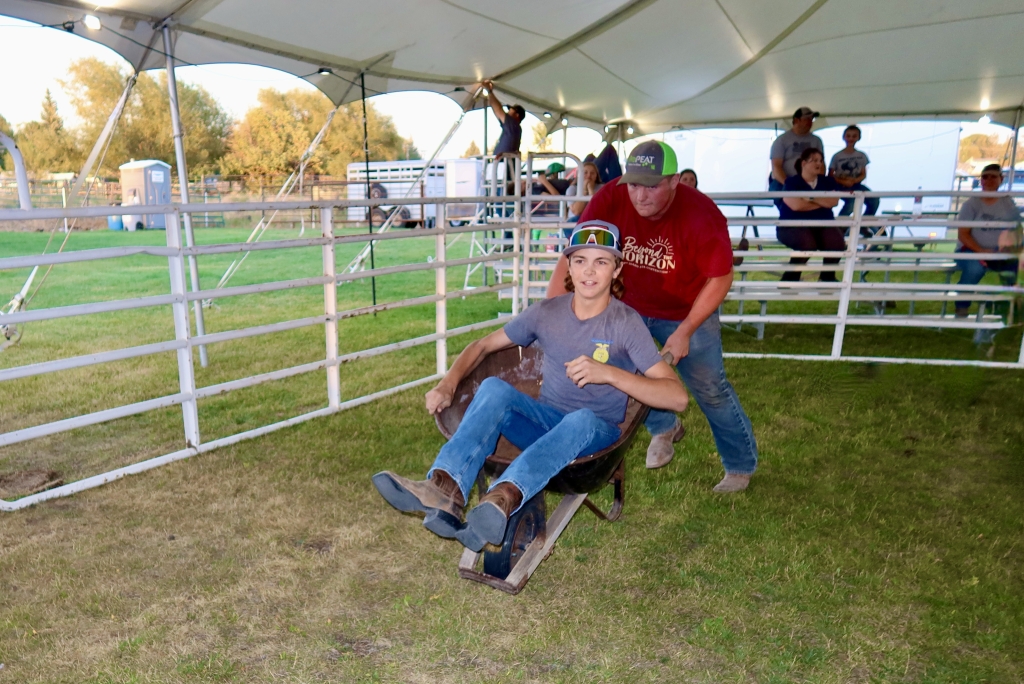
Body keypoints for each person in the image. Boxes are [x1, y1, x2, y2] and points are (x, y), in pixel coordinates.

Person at [372, 221, 688, 551]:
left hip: (596, 435)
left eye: (601, 261)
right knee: (494, 388)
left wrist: (609, 373)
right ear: (568, 265)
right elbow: (481, 346)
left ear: (617, 269)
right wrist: (448, 385)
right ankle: (445, 488)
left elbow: (677, 397)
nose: (589, 272)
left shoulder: (625, 323)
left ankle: (504, 497)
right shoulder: (546, 313)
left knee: (580, 419)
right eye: (580, 261)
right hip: (547, 423)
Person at [546, 140, 759, 493]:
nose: (639, 196)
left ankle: (739, 465)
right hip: (628, 306)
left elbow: (721, 276)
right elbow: (575, 254)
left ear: (674, 182)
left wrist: (687, 329)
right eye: (633, 184)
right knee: (623, 375)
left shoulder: (702, 216)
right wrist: (553, 315)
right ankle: (663, 427)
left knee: (709, 386)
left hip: (687, 308)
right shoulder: (611, 197)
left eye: (651, 186)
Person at [953, 163, 1022, 317]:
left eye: (993, 177)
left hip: (999, 251)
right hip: (970, 250)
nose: (989, 180)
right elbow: (963, 234)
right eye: (985, 177)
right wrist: (982, 252)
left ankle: (1013, 307)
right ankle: (962, 306)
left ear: (1001, 179)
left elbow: (1016, 230)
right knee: (975, 269)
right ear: (981, 180)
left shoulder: (1007, 203)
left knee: (1018, 267)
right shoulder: (971, 204)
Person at [777, 147, 843, 282]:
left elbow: (833, 201)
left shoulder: (828, 182)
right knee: (806, 244)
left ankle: (827, 277)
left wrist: (810, 198)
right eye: (814, 160)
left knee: (837, 242)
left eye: (821, 161)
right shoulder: (791, 182)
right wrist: (821, 201)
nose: (819, 164)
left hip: (822, 226)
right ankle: (790, 279)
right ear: (803, 163)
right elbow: (796, 205)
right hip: (791, 227)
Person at [769, 107, 824, 195]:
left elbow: (821, 165)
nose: (810, 122)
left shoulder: (817, 141)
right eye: (807, 119)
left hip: (809, 184)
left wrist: (819, 183)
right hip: (783, 182)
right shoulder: (782, 140)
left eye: (812, 119)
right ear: (796, 120)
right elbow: (776, 167)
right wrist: (789, 185)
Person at [829, 125, 880, 218]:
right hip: (840, 186)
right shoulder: (837, 156)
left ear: (858, 138)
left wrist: (854, 181)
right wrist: (844, 181)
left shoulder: (862, 156)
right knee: (851, 203)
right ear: (844, 137)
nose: (851, 138)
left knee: (874, 200)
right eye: (848, 136)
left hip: (856, 185)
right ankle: (840, 226)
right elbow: (830, 175)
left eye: (854, 136)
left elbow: (863, 174)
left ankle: (864, 223)